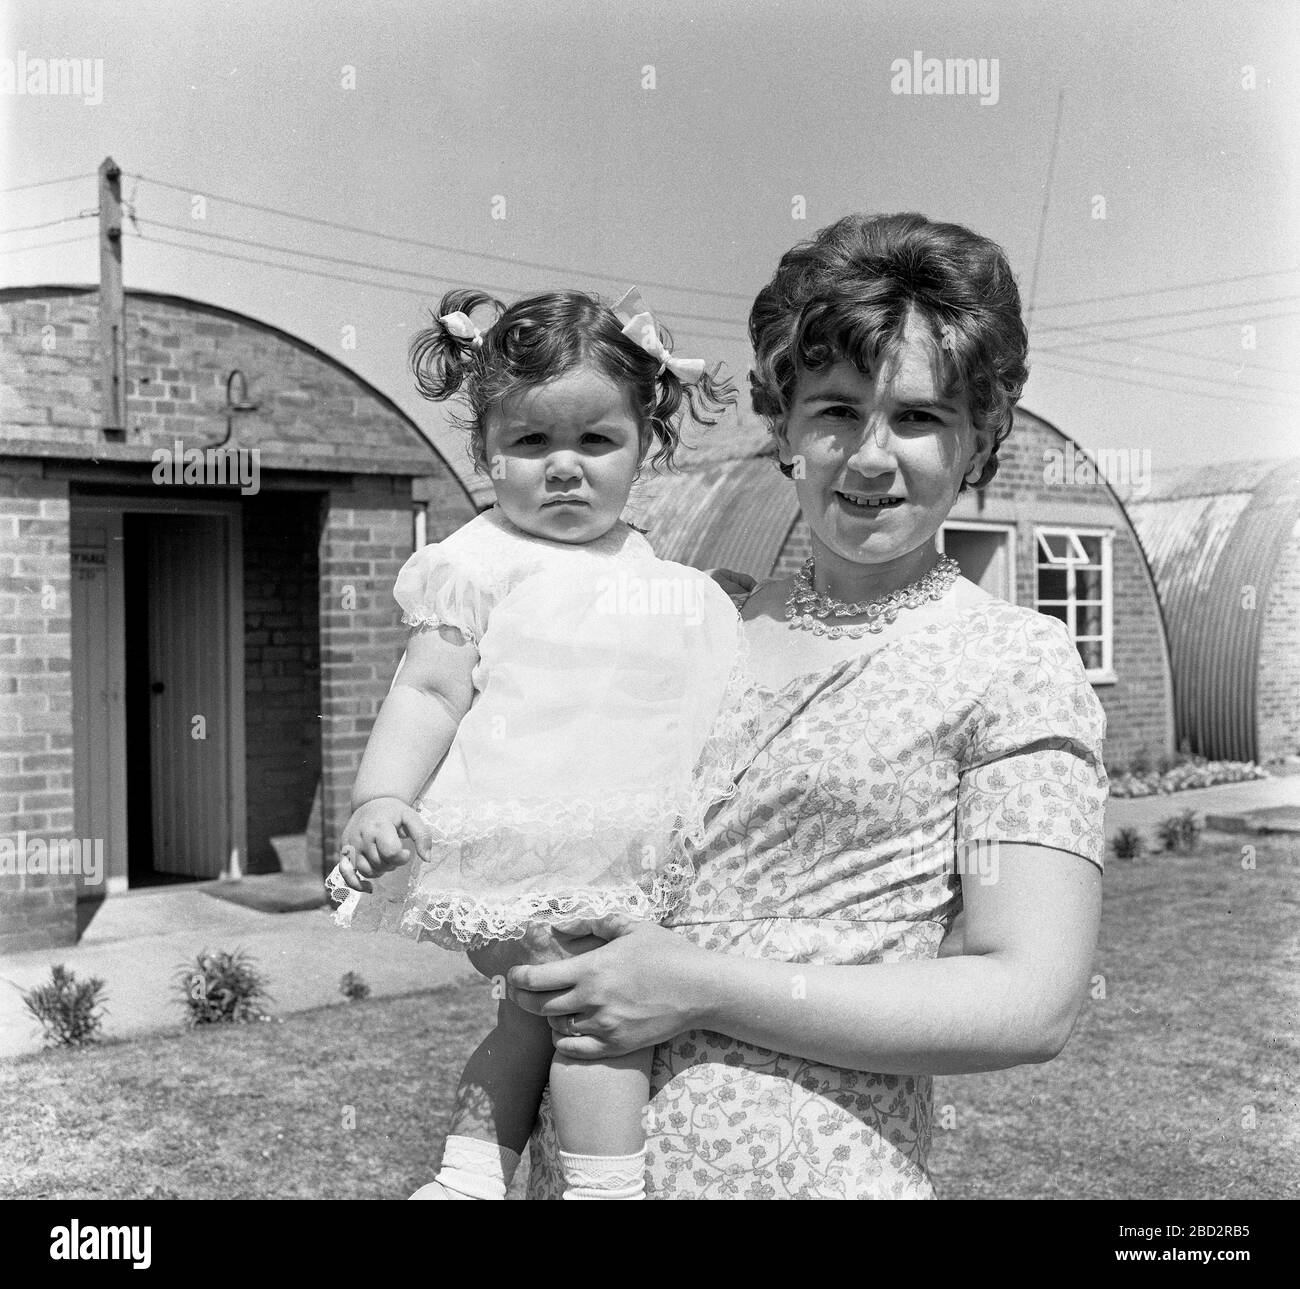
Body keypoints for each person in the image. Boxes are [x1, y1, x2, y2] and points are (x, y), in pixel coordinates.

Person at [512, 211, 1109, 1199]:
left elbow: (1028, 998)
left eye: (917, 417)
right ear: (782, 422)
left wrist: (692, 983)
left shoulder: (1010, 663)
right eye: (834, 410)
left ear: (980, 439)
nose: (870, 457)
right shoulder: (697, 616)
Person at [326, 286, 756, 1201]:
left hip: (625, 842)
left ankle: (469, 1176)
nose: (564, 468)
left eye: (595, 442)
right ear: (486, 452)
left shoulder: (657, 576)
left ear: (646, 448)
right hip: (519, 839)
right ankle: (600, 1186)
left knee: (532, 1017)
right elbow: (429, 692)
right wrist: (380, 797)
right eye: (531, 444)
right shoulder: (478, 561)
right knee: (594, 1024)